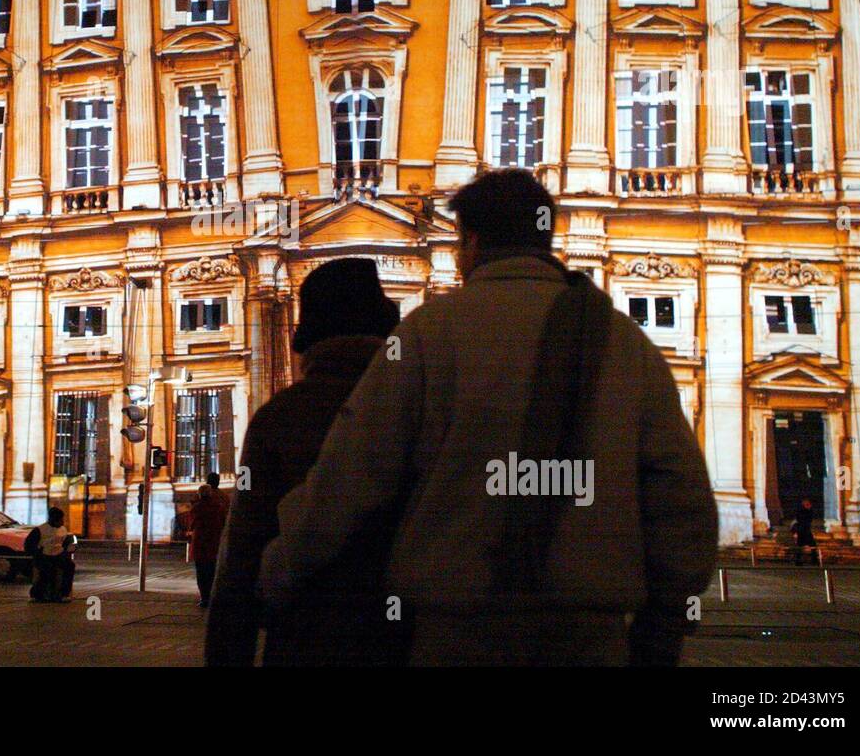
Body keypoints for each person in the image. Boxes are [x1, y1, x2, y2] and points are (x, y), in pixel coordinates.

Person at [255, 169, 719, 666]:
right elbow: (682, 498)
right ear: (544, 235)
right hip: (589, 635)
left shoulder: (427, 334)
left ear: (469, 242)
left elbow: (350, 476)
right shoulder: (625, 342)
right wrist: (665, 623)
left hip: (458, 633)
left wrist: (278, 569)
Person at [206, 257, 402, 666]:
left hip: (304, 639)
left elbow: (241, 556)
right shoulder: (416, 408)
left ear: (304, 340)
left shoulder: (278, 418)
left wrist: (228, 653)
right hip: (400, 640)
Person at [188, 474, 231, 608]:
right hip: (216, 543)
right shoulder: (223, 500)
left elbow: (191, 524)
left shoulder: (197, 505)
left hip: (201, 544)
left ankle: (205, 598)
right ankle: (215, 596)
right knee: (214, 572)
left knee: (202, 574)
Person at [27, 506, 76, 602]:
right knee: (46, 570)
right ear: (54, 519)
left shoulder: (63, 529)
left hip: (59, 554)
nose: (62, 522)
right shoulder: (40, 530)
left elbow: (66, 543)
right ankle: (38, 594)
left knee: (69, 566)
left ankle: (64, 593)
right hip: (44, 555)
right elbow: (29, 545)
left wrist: (68, 549)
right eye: (60, 519)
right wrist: (38, 553)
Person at [791, 499, 817, 566]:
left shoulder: (809, 512)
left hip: (806, 531)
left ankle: (814, 560)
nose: (808, 506)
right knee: (800, 546)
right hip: (801, 531)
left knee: (812, 546)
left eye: (808, 504)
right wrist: (795, 532)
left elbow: (809, 522)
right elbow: (798, 521)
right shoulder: (801, 512)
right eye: (806, 505)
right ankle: (799, 561)